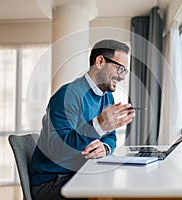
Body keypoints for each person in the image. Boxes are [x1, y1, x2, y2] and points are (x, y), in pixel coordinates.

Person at [30, 39, 136, 200]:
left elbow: (111, 137)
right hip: (53, 181)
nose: (122, 77)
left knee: (123, 185)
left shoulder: (107, 97)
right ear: (100, 61)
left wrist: (105, 148)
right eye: (119, 68)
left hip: (80, 171)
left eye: (125, 71)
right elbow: (57, 148)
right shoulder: (68, 94)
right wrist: (98, 126)